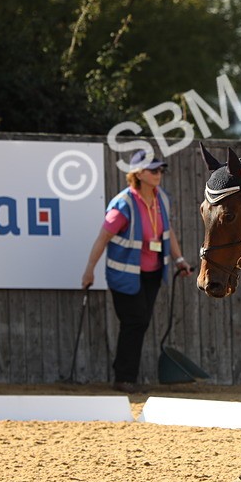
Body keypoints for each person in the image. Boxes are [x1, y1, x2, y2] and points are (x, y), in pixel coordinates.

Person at [81, 150, 192, 392]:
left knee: (138, 324)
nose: (159, 174)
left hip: (152, 273)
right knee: (135, 322)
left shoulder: (161, 198)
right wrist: (89, 270)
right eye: (154, 170)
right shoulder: (123, 204)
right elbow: (102, 238)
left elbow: (167, 231)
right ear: (139, 174)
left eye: (161, 170)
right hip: (124, 275)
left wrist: (179, 259)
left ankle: (126, 377)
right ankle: (124, 378)